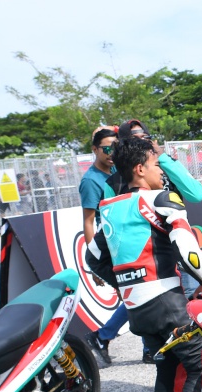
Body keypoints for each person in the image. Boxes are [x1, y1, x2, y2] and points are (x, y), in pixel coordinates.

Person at [85, 137, 202, 392]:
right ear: (140, 169)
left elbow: (92, 258)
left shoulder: (109, 207)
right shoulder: (161, 199)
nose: (162, 172)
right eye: (157, 165)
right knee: (200, 364)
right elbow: (186, 246)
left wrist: (125, 283)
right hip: (167, 301)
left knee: (165, 368)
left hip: (136, 309)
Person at [81, 127, 122, 365]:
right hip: (108, 245)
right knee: (135, 294)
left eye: (114, 148)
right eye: (106, 149)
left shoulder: (118, 168)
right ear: (95, 149)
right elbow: (88, 221)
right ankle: (102, 336)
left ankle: (103, 337)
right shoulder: (90, 181)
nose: (111, 153)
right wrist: (94, 260)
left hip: (125, 240)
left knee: (136, 294)